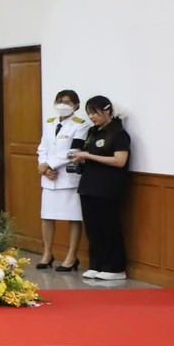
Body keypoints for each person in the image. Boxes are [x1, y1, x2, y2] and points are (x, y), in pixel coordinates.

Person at [70, 95, 132, 281]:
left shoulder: (119, 134)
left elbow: (120, 161)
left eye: (95, 113)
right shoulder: (92, 132)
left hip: (108, 187)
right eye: (89, 114)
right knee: (93, 227)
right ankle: (97, 264)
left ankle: (115, 267)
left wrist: (89, 156)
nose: (92, 117)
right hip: (89, 185)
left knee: (109, 226)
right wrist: (80, 158)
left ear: (107, 111)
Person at [37, 89, 88, 271]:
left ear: (76, 105)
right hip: (49, 178)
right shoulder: (49, 123)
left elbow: (74, 151)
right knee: (47, 217)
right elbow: (43, 147)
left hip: (68, 177)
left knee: (73, 217)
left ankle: (71, 256)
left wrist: (50, 165)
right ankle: (47, 253)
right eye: (59, 101)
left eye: (67, 102)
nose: (62, 105)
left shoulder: (81, 125)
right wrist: (42, 166)